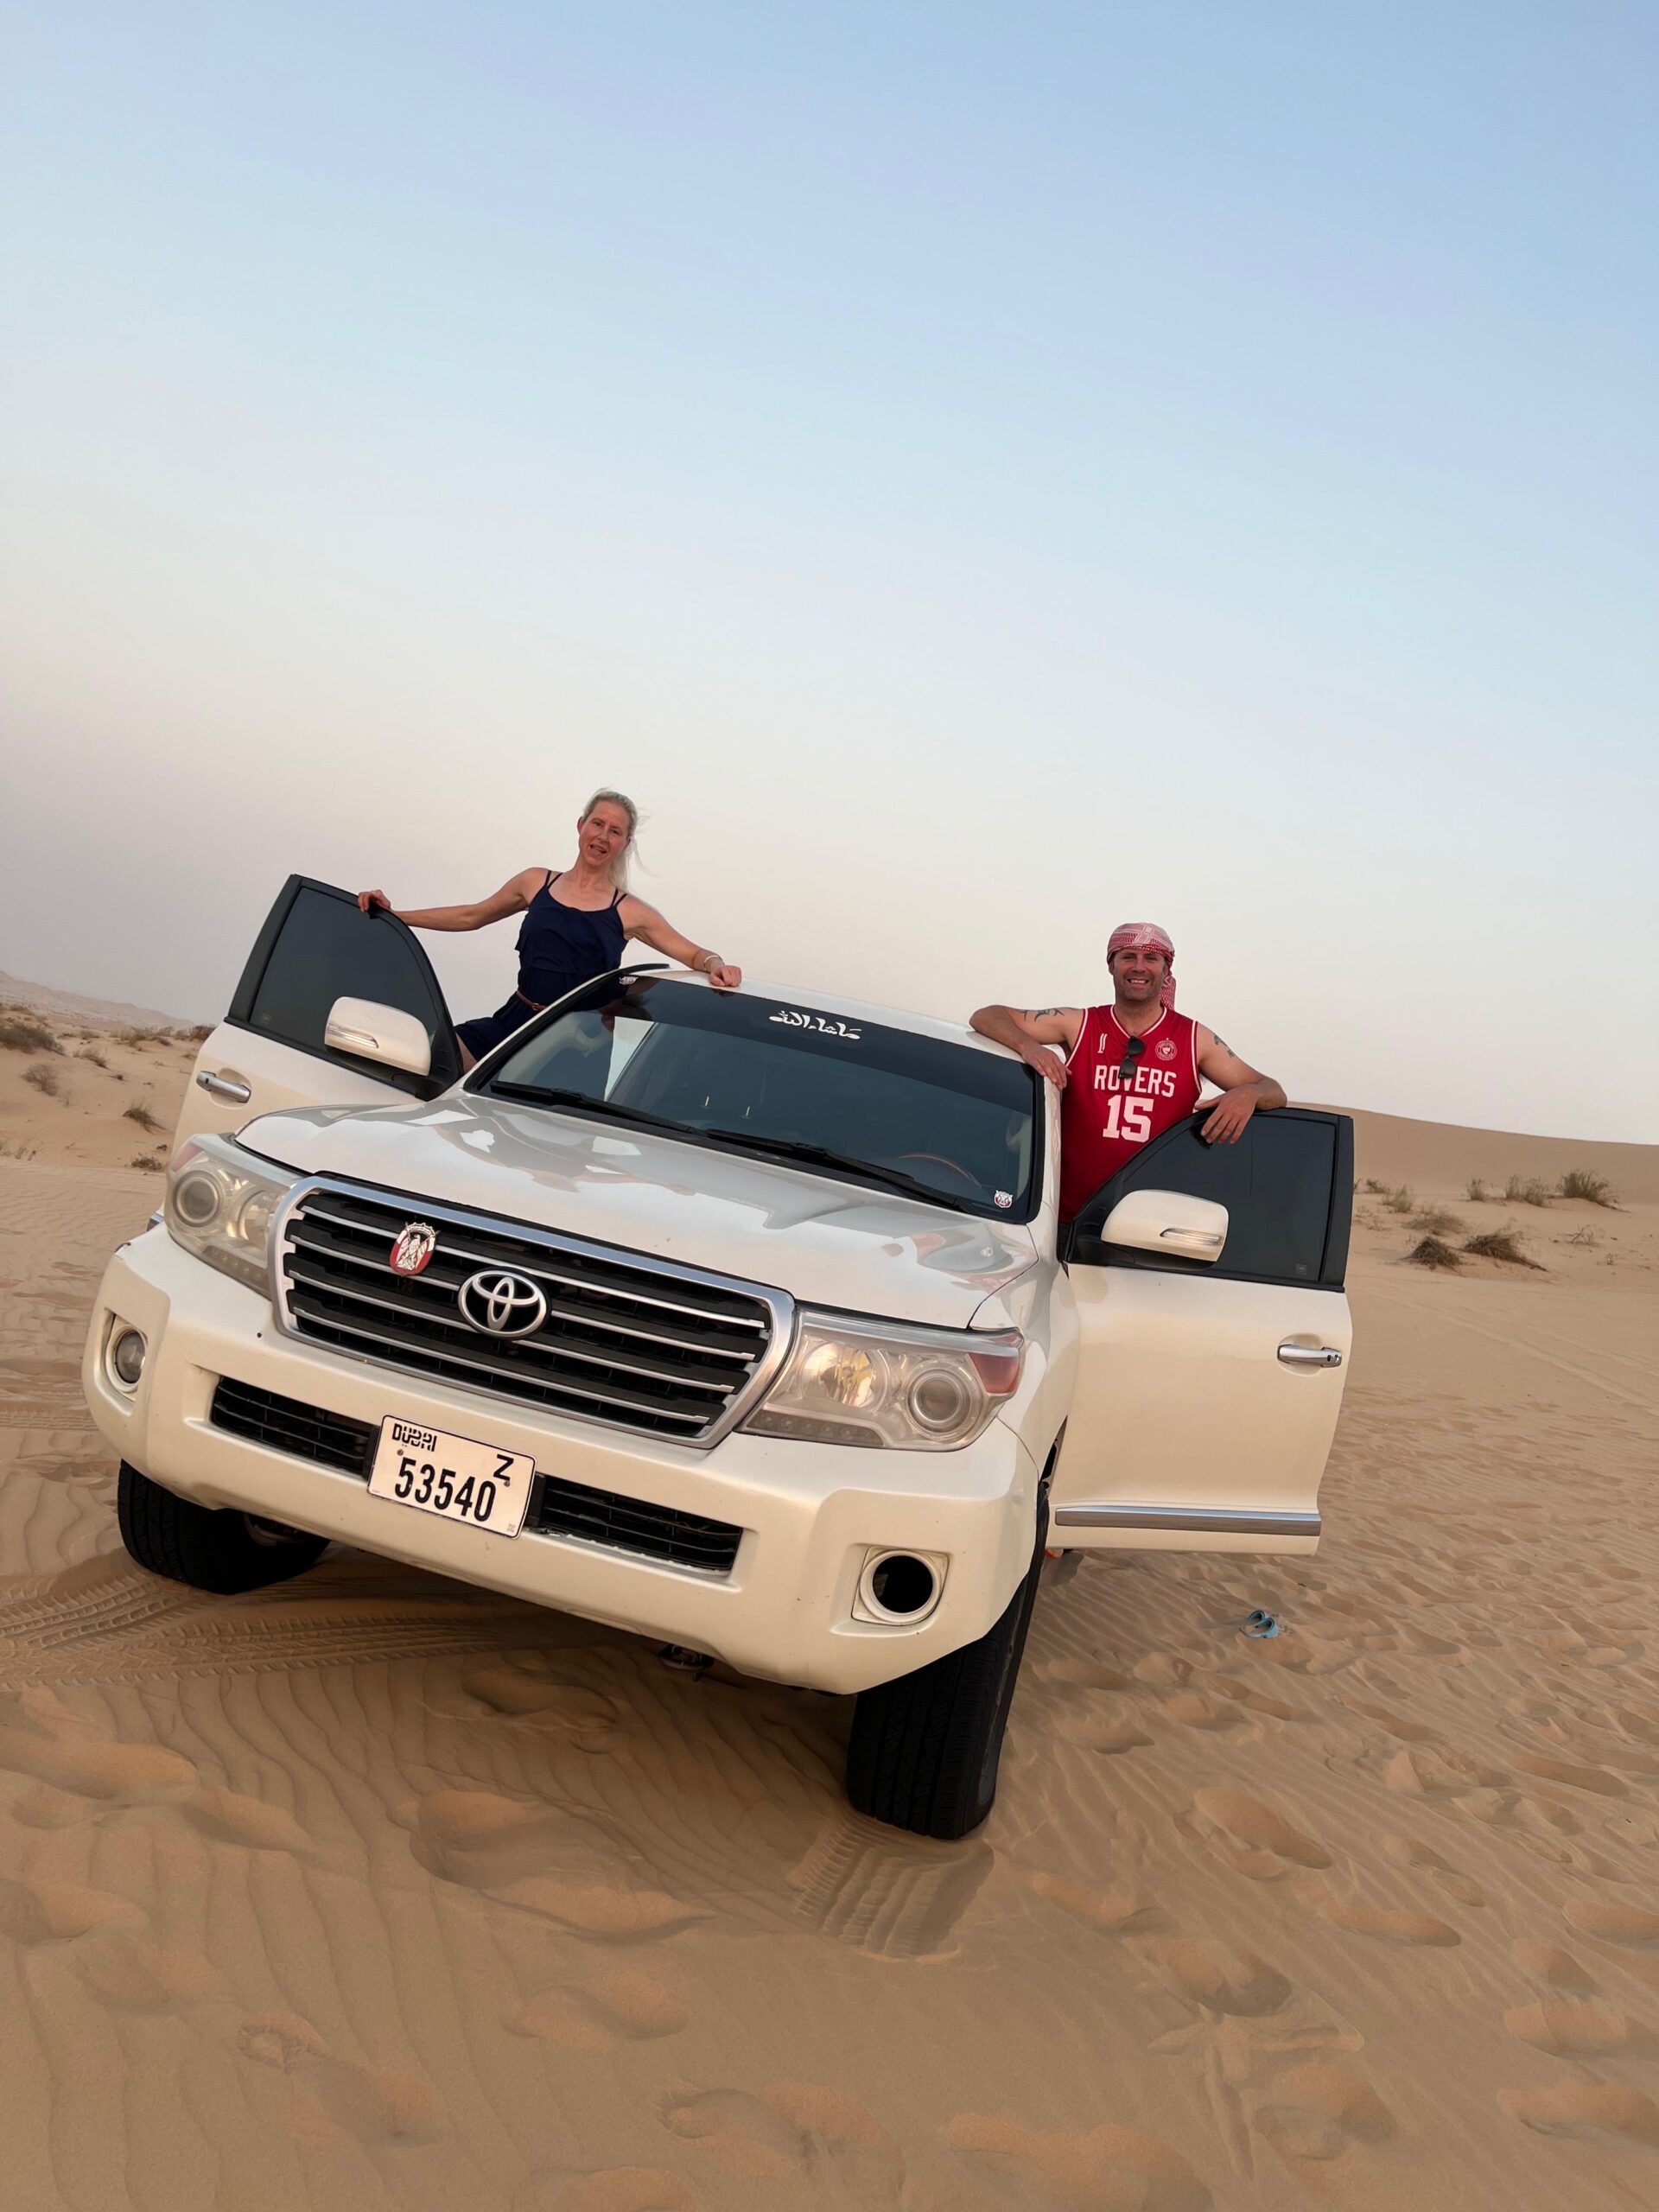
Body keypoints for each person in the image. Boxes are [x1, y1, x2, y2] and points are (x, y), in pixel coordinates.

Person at [358, 788, 741, 1067]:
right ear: (580, 826)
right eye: (598, 824)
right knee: (433, 1061)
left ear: (625, 844)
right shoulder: (535, 881)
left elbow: (693, 954)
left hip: (574, 1043)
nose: (602, 836)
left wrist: (716, 964)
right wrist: (398, 915)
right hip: (513, 1021)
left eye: (614, 831)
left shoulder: (629, 911)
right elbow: (471, 916)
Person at [969, 922, 1286, 1220]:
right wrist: (1030, 1047)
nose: (1138, 967)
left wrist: (1249, 1093)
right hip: (1062, 1217)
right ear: (1111, 965)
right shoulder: (1079, 1024)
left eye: (1151, 958)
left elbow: (1273, 1089)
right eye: (1127, 957)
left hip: (1145, 1227)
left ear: (1166, 969)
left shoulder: (1194, 1039)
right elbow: (987, 1016)